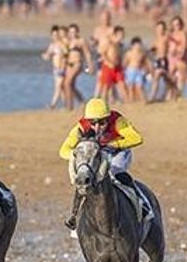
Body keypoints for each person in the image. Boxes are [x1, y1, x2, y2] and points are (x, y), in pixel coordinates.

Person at [57, 97, 145, 229]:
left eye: (102, 122)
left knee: (113, 172)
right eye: (93, 123)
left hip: (118, 153)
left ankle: (142, 205)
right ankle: (74, 215)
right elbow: (63, 150)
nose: (97, 127)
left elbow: (137, 138)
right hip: (96, 155)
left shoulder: (118, 121)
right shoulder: (81, 127)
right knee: (84, 178)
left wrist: (112, 144)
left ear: (108, 118)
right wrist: (78, 155)